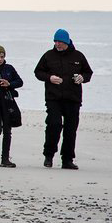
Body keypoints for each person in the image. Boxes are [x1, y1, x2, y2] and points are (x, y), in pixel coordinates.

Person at [34, 29, 93, 170]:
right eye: (55, 41)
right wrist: (49, 78)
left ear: (67, 42)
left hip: (73, 99)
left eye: (60, 41)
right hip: (53, 98)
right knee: (54, 125)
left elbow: (88, 72)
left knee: (70, 130)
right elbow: (38, 72)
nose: (57, 44)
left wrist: (82, 78)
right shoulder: (48, 56)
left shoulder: (78, 56)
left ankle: (67, 160)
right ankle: (48, 156)